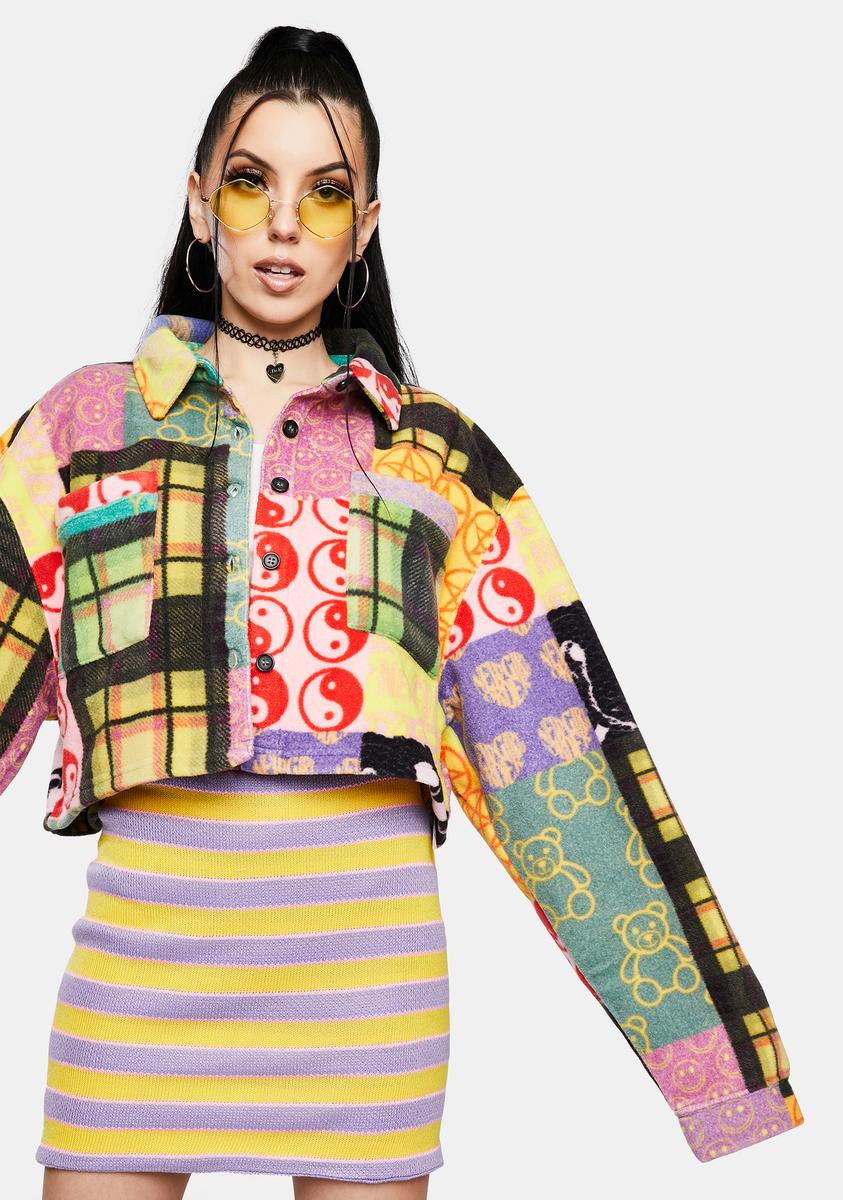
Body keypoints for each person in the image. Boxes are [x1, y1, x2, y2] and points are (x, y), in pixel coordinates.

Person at [0, 23, 802, 1200]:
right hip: (135, 979)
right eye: (251, 182)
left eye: (325, 193)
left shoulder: (435, 457)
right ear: (200, 204)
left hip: (368, 998)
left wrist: (724, 1079)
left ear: (364, 226)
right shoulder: (79, 428)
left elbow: (563, 769)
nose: (284, 223)